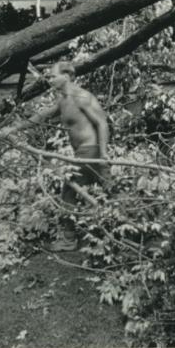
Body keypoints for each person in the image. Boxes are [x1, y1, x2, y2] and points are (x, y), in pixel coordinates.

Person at [47, 61, 111, 252]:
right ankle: (127, 228)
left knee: (68, 192)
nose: (49, 80)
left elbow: (102, 123)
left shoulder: (82, 96)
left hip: (90, 152)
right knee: (110, 190)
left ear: (66, 76)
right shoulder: (63, 100)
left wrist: (104, 153)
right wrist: (15, 127)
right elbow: (43, 115)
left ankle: (69, 239)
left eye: (52, 76)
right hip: (83, 154)